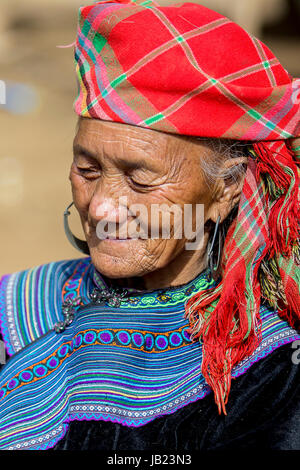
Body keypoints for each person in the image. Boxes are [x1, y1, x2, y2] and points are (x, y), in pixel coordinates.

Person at [0, 0, 299, 451]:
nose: (100, 208)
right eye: (87, 170)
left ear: (226, 190)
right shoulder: (20, 306)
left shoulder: (269, 372)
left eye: (140, 179)